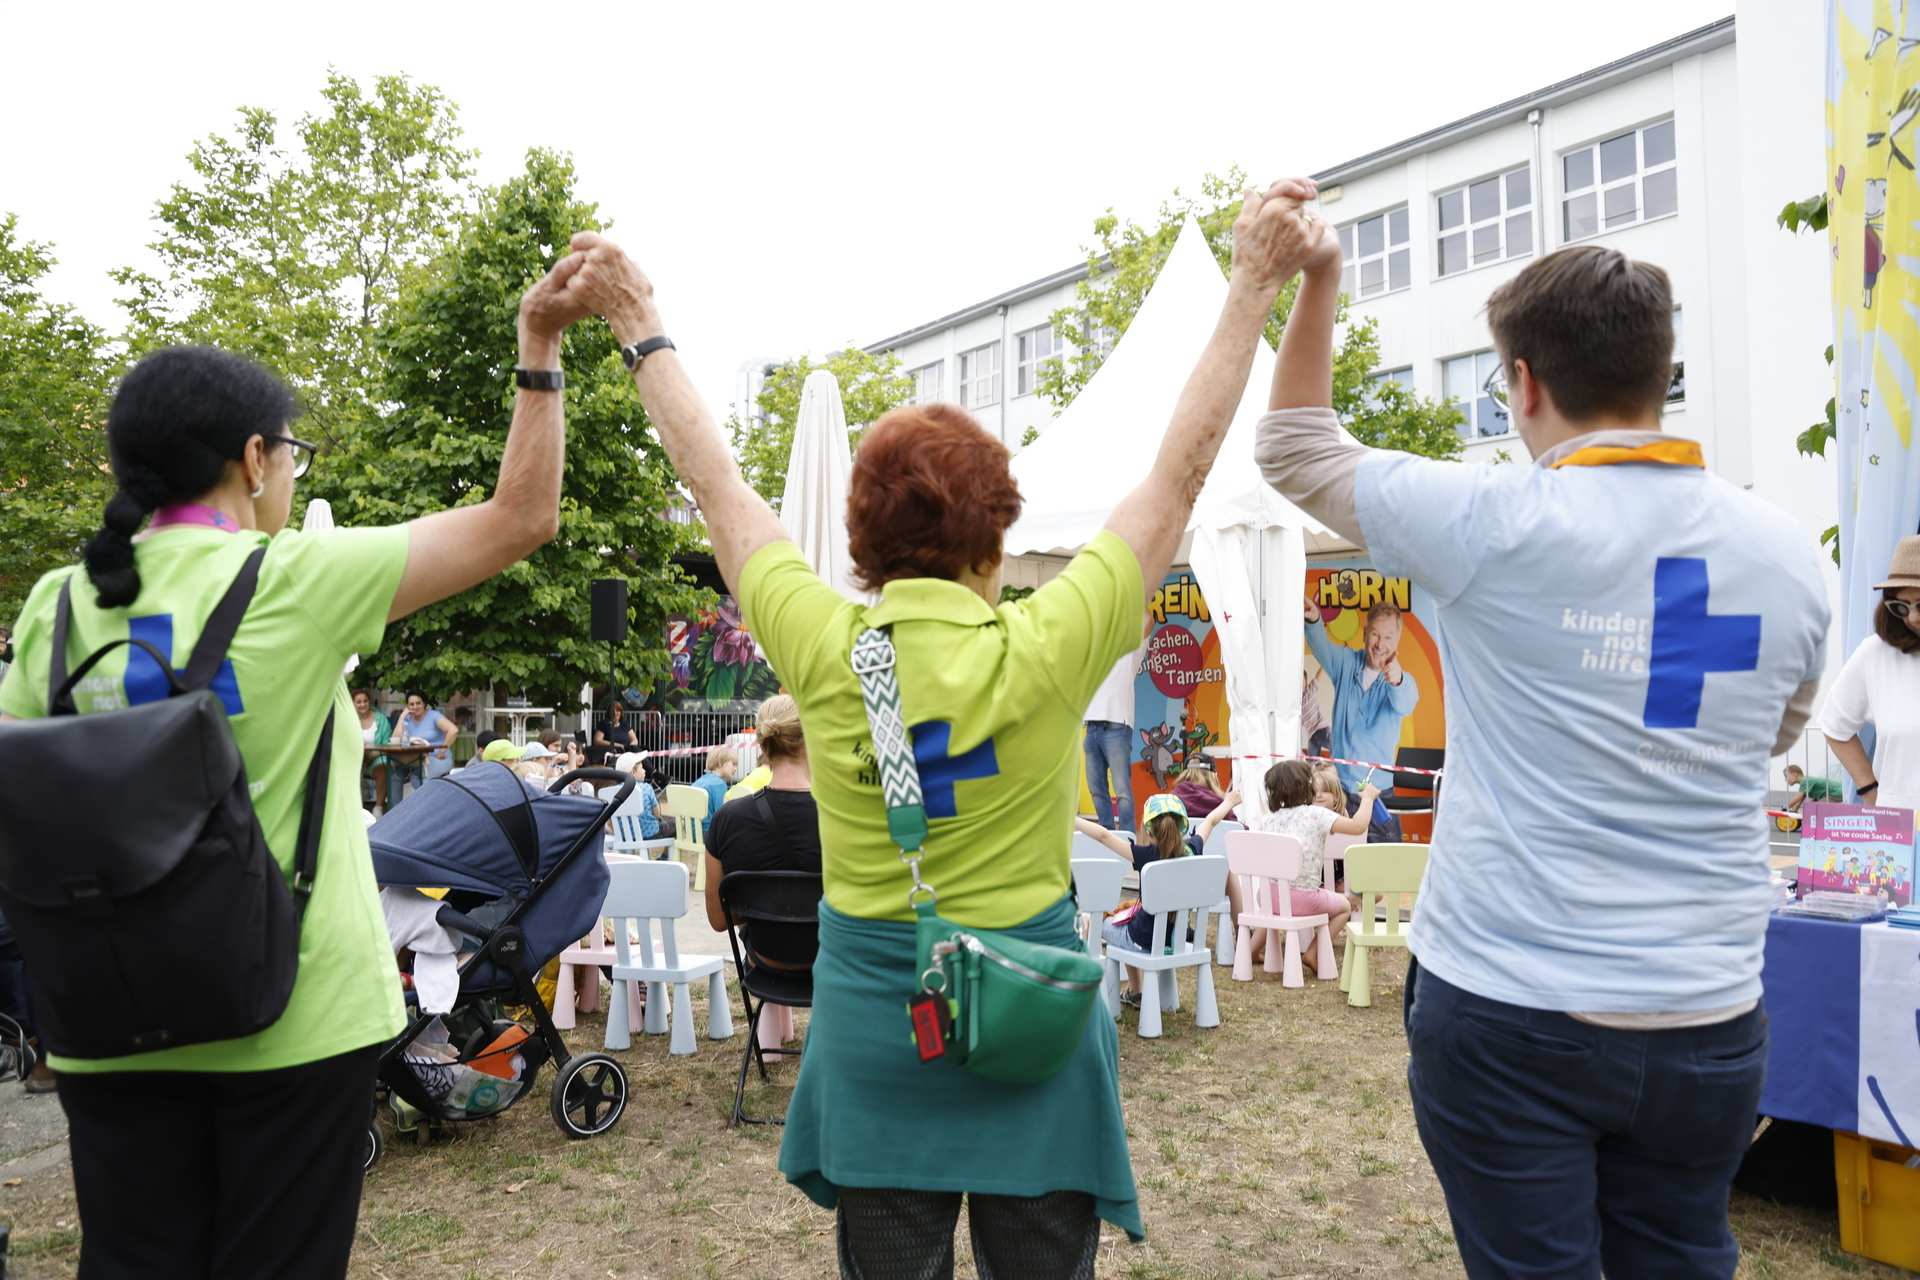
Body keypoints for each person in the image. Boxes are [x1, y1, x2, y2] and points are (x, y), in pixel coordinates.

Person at [556, 184, 1318, 1273]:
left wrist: (639, 322)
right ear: (996, 536)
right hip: (1032, 1028)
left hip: (882, 1027)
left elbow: (715, 482)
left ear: (860, 543)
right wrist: (1250, 284)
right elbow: (1178, 473)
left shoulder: (822, 644)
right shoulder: (1051, 641)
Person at [0, 243, 596, 1279]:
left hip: (105, 1015)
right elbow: (522, 518)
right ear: (253, 457)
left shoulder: (56, 604)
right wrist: (537, 344)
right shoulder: (294, 577)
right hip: (291, 1009)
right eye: (293, 452)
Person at [1255, 235, 1829, 1279]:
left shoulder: (1494, 521)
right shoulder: (1787, 552)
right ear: (1663, 371)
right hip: (1707, 1009)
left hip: (1515, 1002)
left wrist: (1322, 277)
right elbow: (1772, 733)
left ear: (1522, 383)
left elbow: (1294, 444)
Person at [1077, 791, 1236, 1005]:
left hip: (1142, 939)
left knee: (1094, 920)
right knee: (1127, 915)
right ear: (1182, 827)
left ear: (1149, 831)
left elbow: (1104, 836)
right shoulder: (1194, 849)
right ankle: (1135, 992)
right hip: (1176, 939)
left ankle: (1117, 991)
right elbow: (1212, 820)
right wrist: (1229, 801)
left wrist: (1072, 819)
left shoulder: (1145, 856)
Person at [1820, 534, 1920, 813]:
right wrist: (1869, 791)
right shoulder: (1875, 654)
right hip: (1900, 834)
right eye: (1900, 606)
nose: (1912, 618)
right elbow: (1834, 726)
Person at [1304, 595, 1412, 838]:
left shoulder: (1402, 680)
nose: (1380, 643)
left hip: (1378, 795)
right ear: (1365, 633)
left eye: (1388, 637)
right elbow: (1323, 649)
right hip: (1341, 792)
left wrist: (1398, 680)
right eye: (1375, 634)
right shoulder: (1346, 663)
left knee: (1388, 867)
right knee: (1341, 869)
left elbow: (1405, 702)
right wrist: (1314, 621)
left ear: (1397, 641)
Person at [1251, 760, 1375, 970]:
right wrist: (1368, 798)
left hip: (1267, 896)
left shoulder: (1268, 820)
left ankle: (1251, 950)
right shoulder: (1316, 815)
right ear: (1306, 787)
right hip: (1302, 899)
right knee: (1345, 907)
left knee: (1273, 908)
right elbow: (1358, 826)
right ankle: (1313, 953)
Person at [1083, 636, 1144, 829]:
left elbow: (1147, 619)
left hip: (1116, 727)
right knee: (1096, 790)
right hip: (1091, 727)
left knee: (1122, 791)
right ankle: (1106, 836)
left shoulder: (1130, 650)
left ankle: (1128, 841)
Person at [392, 691, 458, 804]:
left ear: (424, 704)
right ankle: (393, 811)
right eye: (411, 704)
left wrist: (442, 751)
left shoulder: (434, 716)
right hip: (414, 759)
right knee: (395, 775)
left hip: (437, 758)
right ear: (407, 706)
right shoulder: (407, 719)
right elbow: (395, 740)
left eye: (418, 703)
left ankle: (428, 806)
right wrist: (402, 716)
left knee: (417, 777)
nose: (415, 706)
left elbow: (453, 730)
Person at [352, 688, 394, 813]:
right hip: (354, 758)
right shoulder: (349, 719)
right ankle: (355, 808)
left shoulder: (381, 719)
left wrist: (373, 753)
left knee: (383, 764)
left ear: (369, 702)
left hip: (376, 756)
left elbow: (387, 744)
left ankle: (378, 807)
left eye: (365, 701)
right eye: (358, 702)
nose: (362, 704)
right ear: (353, 704)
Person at [692, 744, 740, 836]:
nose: (735, 768)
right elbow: (722, 816)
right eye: (733, 764)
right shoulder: (719, 784)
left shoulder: (700, 781)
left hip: (692, 832)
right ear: (720, 763)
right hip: (708, 834)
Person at [591, 698, 637, 765]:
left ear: (621, 712)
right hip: (612, 752)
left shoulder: (624, 724)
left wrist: (630, 746)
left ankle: (652, 771)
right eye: (613, 711)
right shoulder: (604, 724)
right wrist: (617, 745)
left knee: (637, 750)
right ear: (609, 713)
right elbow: (597, 740)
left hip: (627, 751)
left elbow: (635, 739)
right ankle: (653, 771)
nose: (615, 713)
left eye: (618, 710)